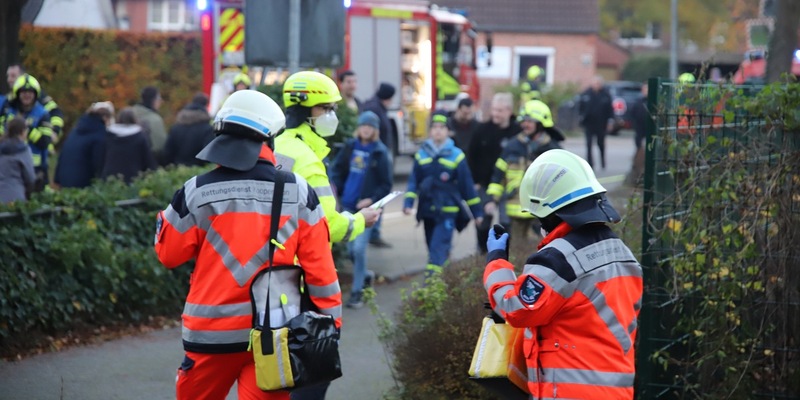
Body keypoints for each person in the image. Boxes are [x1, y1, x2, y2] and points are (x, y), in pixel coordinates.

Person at [154, 90, 341, 400]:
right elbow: (321, 271)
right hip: (273, 336)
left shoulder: (196, 192)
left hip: (209, 337)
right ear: (269, 139)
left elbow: (169, 255)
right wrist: (330, 326)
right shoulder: (298, 191)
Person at [483, 149, 642, 399]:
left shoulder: (557, 259)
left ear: (549, 211)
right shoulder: (623, 254)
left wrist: (496, 262)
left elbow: (516, 308)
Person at [403, 111, 484, 276]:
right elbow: (413, 182)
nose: (438, 130)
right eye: (434, 127)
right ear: (430, 131)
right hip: (427, 212)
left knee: (436, 252)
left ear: (448, 131)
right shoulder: (421, 154)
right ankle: (446, 282)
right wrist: (408, 204)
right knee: (436, 251)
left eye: (442, 127)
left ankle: (430, 289)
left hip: (447, 214)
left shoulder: (457, 156)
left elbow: (467, 187)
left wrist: (477, 213)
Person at [329, 110, 392, 309]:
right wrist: (333, 192)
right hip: (347, 206)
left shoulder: (380, 152)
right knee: (350, 251)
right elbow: (337, 170)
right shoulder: (350, 147)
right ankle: (365, 276)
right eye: (363, 125)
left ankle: (357, 293)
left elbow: (386, 184)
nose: (366, 129)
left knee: (358, 249)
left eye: (370, 126)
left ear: (375, 130)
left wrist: (371, 200)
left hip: (367, 211)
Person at [485, 99, 564, 241]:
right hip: (515, 213)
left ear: (540, 124)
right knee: (516, 253)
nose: (525, 124)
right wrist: (492, 200)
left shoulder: (553, 150)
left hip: (541, 215)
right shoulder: (512, 146)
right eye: (523, 120)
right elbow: (498, 175)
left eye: (529, 121)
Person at [467, 92, 519, 254]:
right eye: (494, 110)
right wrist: (474, 181)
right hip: (484, 184)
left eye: (500, 111)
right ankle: (482, 251)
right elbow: (471, 156)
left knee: (506, 222)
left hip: (508, 186)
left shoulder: (517, 132)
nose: (495, 114)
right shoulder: (482, 130)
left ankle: (504, 253)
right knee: (483, 220)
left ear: (509, 111)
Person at [0, 74, 53, 193]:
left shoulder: (42, 114)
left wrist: (24, 129)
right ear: (17, 94)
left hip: (35, 169)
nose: (27, 95)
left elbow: (45, 142)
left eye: (30, 92)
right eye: (23, 92)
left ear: (36, 94)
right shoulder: (9, 110)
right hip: (9, 166)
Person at [360, 82, 396, 249]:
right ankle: (374, 232)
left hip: (376, 155)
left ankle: (372, 232)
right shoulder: (375, 108)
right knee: (380, 191)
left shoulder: (373, 105)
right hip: (377, 156)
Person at [53, 101, 114, 188]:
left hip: (65, 182)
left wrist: (57, 180)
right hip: (83, 185)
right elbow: (99, 164)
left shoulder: (76, 131)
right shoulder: (99, 135)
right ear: (105, 118)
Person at [5, 64, 65, 138]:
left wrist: (55, 131)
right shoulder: (10, 99)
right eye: (8, 76)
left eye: (13, 76)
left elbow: (56, 112)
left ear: (23, 76)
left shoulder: (39, 97)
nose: (9, 79)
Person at [101, 107, 156, 184]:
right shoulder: (140, 137)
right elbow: (148, 161)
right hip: (133, 179)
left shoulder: (108, 135)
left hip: (110, 179)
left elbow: (101, 157)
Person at [163, 93, 214, 167]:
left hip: (176, 172)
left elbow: (168, 153)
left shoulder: (176, 128)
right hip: (198, 172)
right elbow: (208, 155)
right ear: (206, 106)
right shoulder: (207, 129)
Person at [578, 75, 614, 170]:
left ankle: (602, 162)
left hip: (601, 124)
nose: (596, 85)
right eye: (594, 83)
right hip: (589, 123)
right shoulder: (586, 94)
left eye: (598, 83)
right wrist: (581, 118)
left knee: (600, 143)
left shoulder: (606, 95)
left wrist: (610, 121)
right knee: (589, 144)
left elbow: (610, 110)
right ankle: (590, 163)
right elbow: (581, 107)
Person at [0, 117, 35, 203]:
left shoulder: (2, 147)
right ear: (23, 132)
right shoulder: (23, 150)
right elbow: (30, 178)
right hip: (15, 197)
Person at [132, 86, 167, 164]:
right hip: (149, 163)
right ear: (153, 100)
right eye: (159, 98)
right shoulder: (155, 120)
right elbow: (160, 147)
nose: (160, 101)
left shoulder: (129, 114)